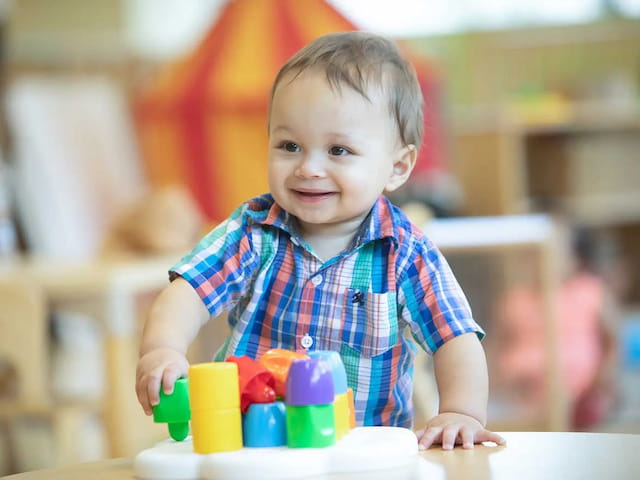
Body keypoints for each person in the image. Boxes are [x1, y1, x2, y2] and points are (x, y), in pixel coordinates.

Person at [135, 31, 505, 450]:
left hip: (363, 451)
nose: (309, 167)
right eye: (290, 146)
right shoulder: (253, 231)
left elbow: (454, 336)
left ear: (397, 167)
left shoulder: (406, 255)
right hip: (250, 446)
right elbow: (189, 291)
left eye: (339, 150)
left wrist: (460, 411)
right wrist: (162, 349)